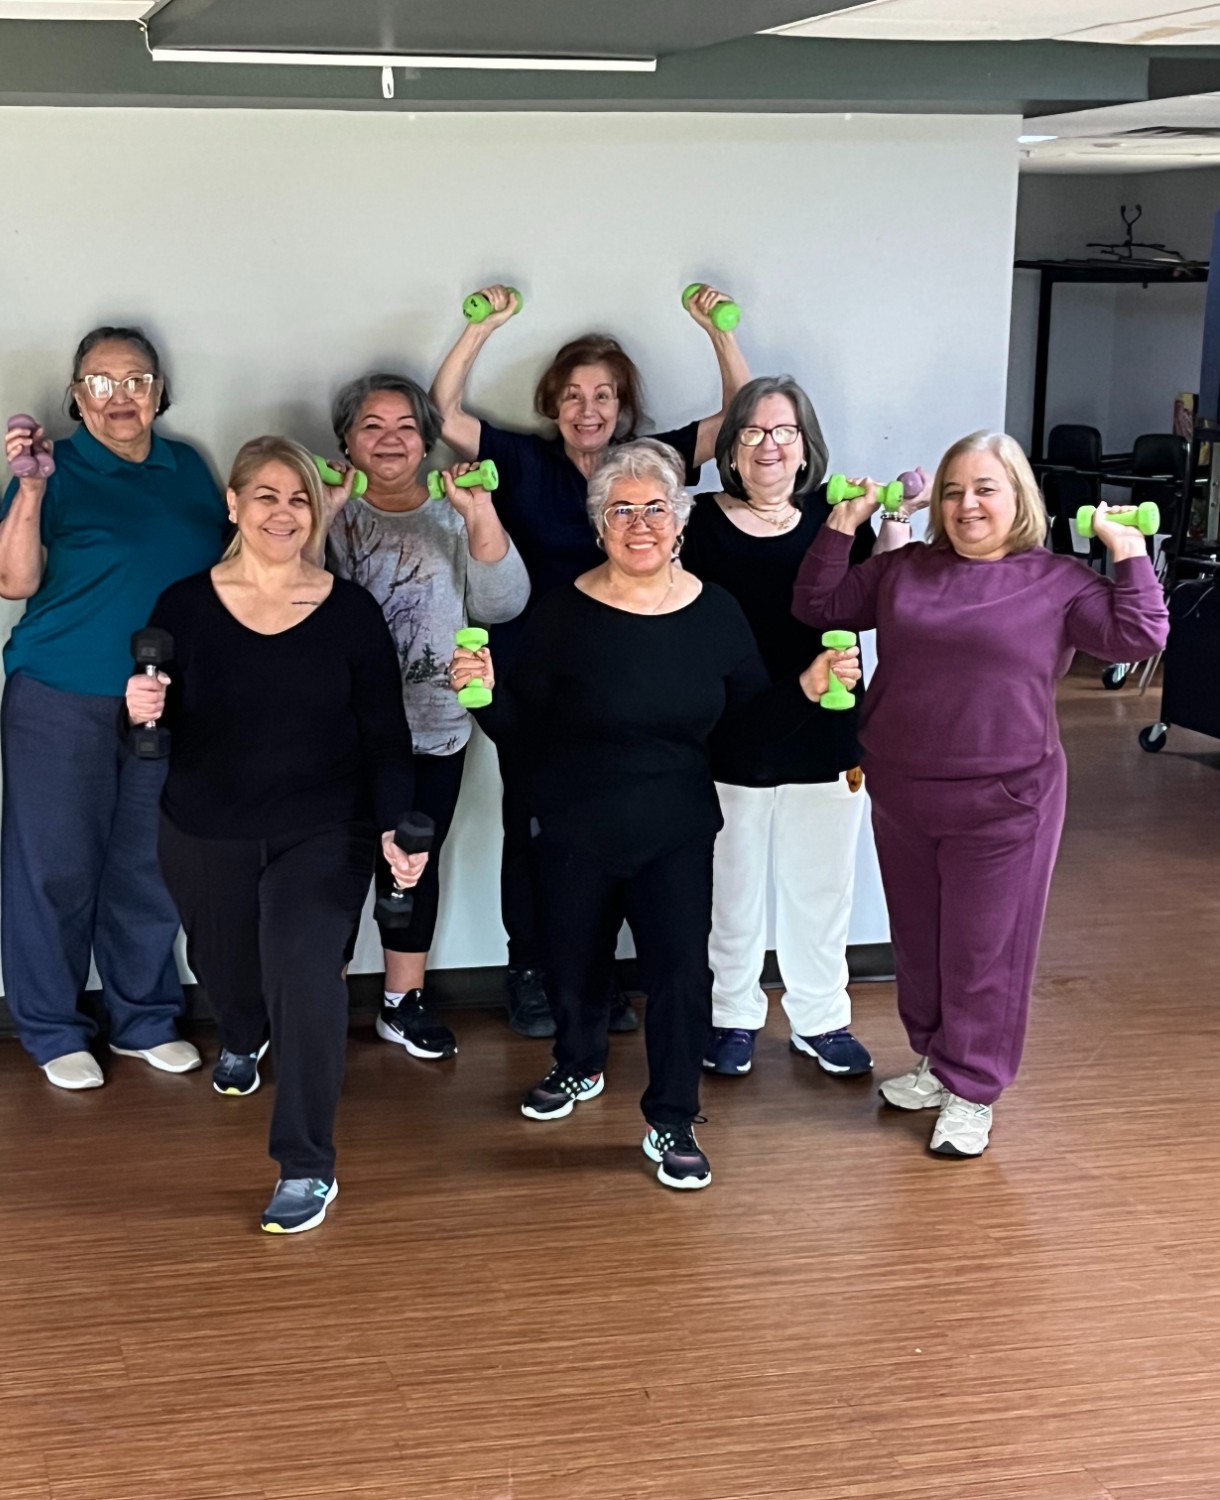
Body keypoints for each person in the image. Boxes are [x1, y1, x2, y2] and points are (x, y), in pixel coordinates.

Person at [451, 440, 858, 1192]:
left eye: (655, 509)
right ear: (598, 524)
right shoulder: (562, 612)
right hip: (573, 825)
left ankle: (672, 1117)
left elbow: (745, 733)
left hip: (675, 827)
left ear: (680, 521)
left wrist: (805, 687)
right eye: (621, 510)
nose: (640, 524)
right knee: (573, 965)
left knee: (680, 977)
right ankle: (578, 1064)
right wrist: (481, 696)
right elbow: (521, 730)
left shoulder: (717, 613)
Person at [793, 430, 1168, 1158]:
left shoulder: (1057, 581)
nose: (968, 505)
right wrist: (844, 520)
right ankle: (937, 1062)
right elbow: (819, 603)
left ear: (1018, 498)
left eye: (986, 489)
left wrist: (1127, 549)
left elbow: (1138, 634)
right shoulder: (904, 569)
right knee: (921, 944)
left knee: (984, 951)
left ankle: (973, 1088)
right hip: (903, 788)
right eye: (954, 491)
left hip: (1006, 801)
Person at [432, 282, 749, 1037]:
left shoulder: (648, 464)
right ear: (554, 402)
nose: (588, 408)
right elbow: (442, 414)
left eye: (603, 394)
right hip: (537, 675)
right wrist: (484, 327)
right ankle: (530, 971)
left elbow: (739, 421)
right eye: (573, 394)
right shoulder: (521, 458)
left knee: (615, 830)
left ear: (622, 405)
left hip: (627, 673)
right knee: (532, 823)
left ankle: (596, 979)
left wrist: (716, 330)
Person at [128, 437, 423, 1234]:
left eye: (299, 499)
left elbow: (386, 739)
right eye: (266, 495)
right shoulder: (183, 606)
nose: (284, 512)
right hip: (205, 824)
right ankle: (242, 1030)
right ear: (233, 505)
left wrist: (396, 827)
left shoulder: (350, 612)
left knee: (306, 971)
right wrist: (138, 714)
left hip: (323, 828)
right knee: (226, 970)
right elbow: (154, 729)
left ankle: (306, 1163)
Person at [0, 327, 227, 1090]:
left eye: (136, 380)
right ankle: (53, 1027)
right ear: (76, 395)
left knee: (149, 866)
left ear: (159, 391)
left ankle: (144, 1018)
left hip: (164, 700)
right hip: (62, 694)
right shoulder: (51, 467)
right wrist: (30, 490)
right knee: (52, 868)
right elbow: (10, 581)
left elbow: (227, 566)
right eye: (100, 382)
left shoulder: (187, 467)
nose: (120, 396)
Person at [681, 375, 919, 1082]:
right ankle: (731, 1016)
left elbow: (888, 591)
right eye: (752, 432)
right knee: (730, 890)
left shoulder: (836, 515)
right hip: (730, 733)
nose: (769, 446)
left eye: (784, 432)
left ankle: (820, 1019)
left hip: (827, 730)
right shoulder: (698, 522)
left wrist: (897, 514)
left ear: (806, 446)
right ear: (731, 448)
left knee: (821, 889)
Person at [320, 373, 530, 1060]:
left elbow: (503, 602)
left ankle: (401, 1002)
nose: (391, 440)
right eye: (372, 426)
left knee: (414, 863)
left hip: (434, 723)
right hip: (340, 731)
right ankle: (316, 1001)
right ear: (346, 440)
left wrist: (479, 513)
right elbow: (291, 595)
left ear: (426, 441)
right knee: (331, 866)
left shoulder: (454, 509)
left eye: (406, 426)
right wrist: (323, 511)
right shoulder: (326, 510)